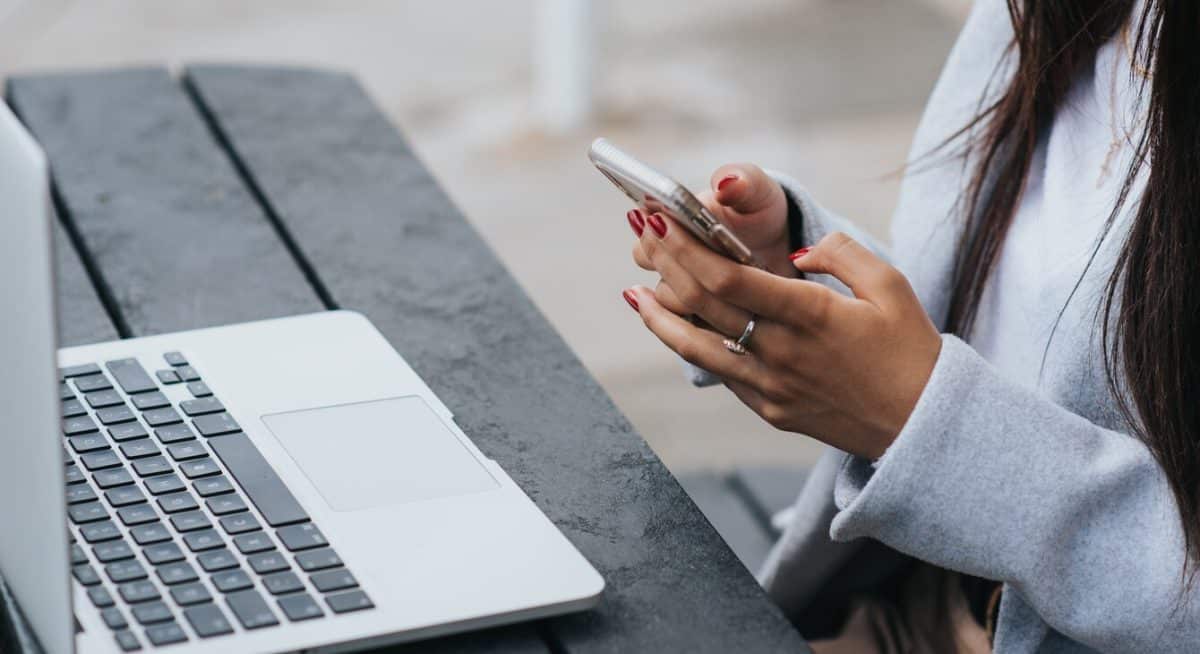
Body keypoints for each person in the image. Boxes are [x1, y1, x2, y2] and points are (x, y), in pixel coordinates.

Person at [621, 1, 1200, 651]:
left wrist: (920, 423)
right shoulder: (1037, 14)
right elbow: (990, 327)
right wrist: (796, 275)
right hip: (892, 600)